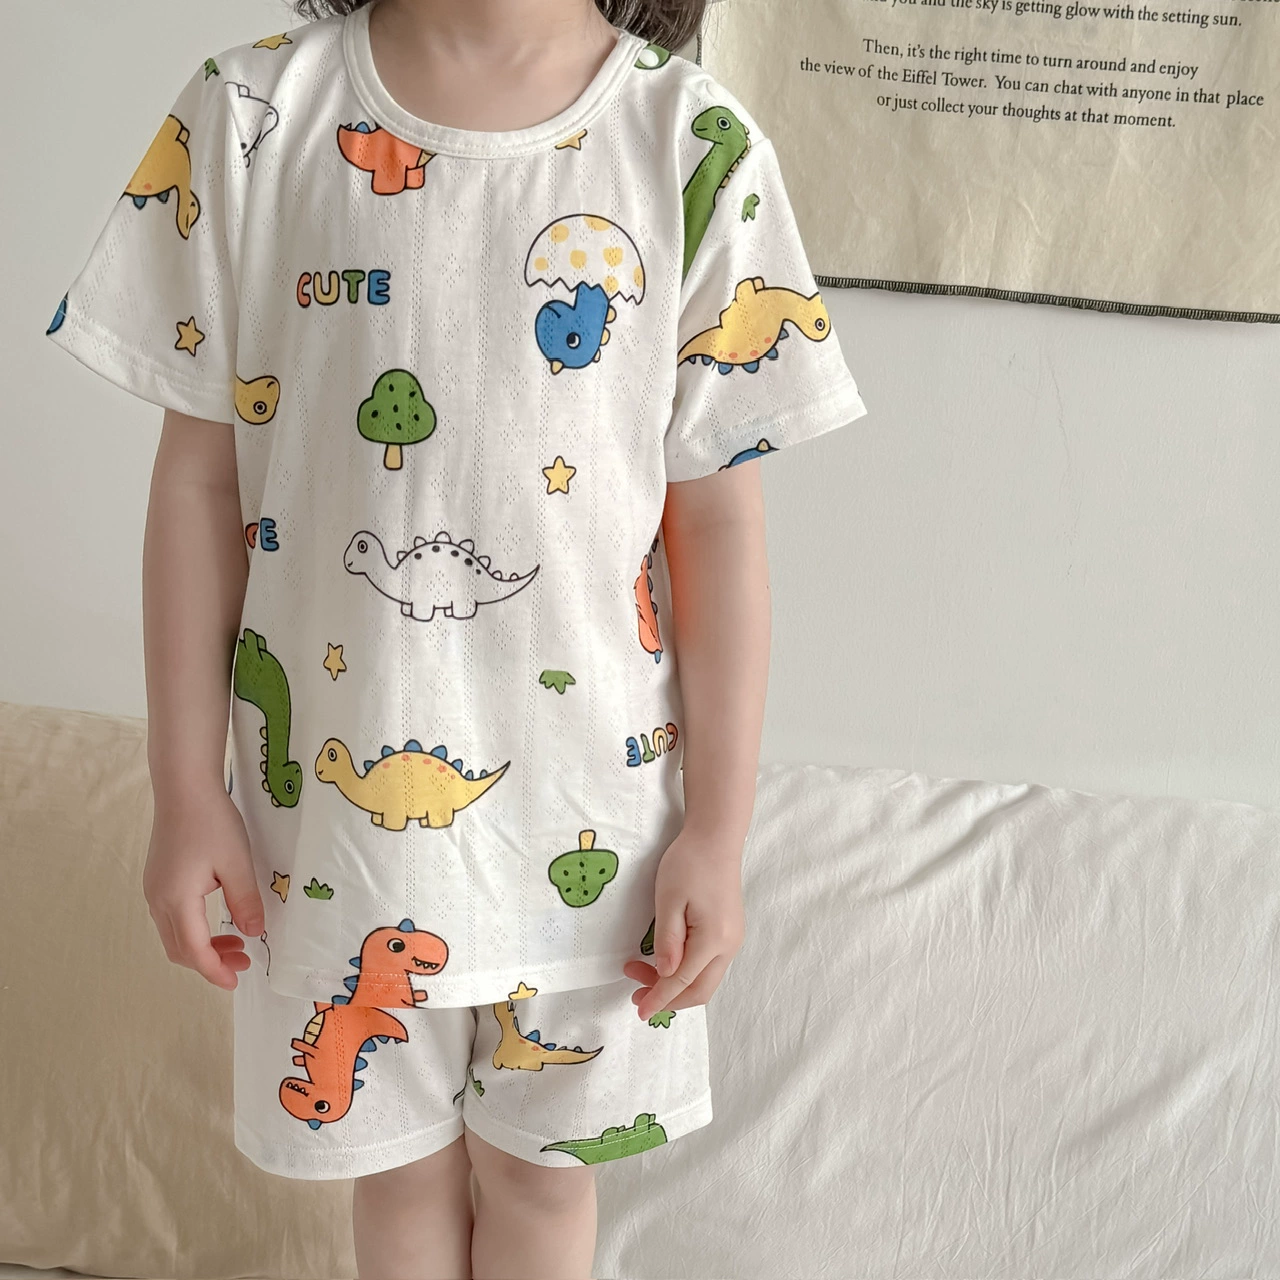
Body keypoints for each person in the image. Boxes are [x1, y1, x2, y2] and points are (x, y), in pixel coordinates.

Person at [46, 0, 869, 1275]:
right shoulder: (252, 113)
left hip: (599, 831)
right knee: (396, 1184)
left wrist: (717, 828)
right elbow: (199, 483)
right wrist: (182, 785)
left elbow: (716, 526)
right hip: (329, 841)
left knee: (542, 1186)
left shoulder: (688, 138)